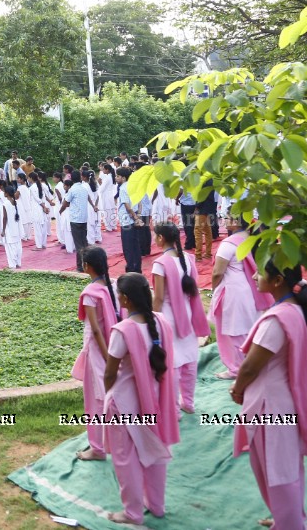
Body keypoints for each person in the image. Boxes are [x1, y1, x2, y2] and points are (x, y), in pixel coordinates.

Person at [231, 260, 307, 530]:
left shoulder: (277, 320)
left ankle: (291, 524)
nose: (254, 274)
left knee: (278, 472)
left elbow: (251, 365)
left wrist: (237, 389)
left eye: (261, 272)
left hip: (272, 407)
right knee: (286, 468)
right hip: (282, 403)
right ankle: (288, 518)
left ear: (276, 282)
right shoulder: (293, 310)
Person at [103, 272, 178, 525]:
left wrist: (108, 394)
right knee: (156, 451)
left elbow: (110, 372)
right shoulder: (161, 321)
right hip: (157, 400)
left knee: (126, 457)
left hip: (125, 403)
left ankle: (132, 512)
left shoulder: (122, 331)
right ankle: (156, 505)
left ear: (124, 299)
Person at [151, 223, 208, 414]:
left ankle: (174, 410)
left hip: (168, 317)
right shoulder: (188, 259)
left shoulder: (160, 264)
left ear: (160, 238)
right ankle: (188, 403)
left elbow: (158, 298)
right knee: (190, 358)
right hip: (188, 314)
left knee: (173, 362)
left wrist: (152, 320)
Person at [73, 247, 119, 462]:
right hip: (115, 347)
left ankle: (98, 448)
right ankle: (112, 441)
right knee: (111, 394)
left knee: (97, 399)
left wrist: (107, 356)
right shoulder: (114, 287)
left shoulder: (91, 294)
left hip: (100, 351)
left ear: (87, 266)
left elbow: (97, 329)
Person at [209, 218, 270, 380]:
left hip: (233, 291)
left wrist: (214, 288)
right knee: (248, 329)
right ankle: (249, 364)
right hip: (251, 288)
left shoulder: (229, 243)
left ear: (236, 222)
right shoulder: (251, 240)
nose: (224, 220)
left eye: (228, 217)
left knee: (235, 332)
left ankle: (238, 369)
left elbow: (217, 273)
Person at [60, 171, 92, 272]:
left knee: (79, 245)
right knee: (84, 242)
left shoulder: (72, 190)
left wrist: (60, 211)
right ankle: (88, 264)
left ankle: (80, 267)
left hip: (75, 219)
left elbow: (65, 202)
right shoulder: (84, 188)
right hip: (83, 219)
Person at [116, 168, 142, 274]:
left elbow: (127, 206)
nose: (116, 178)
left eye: (118, 176)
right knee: (135, 245)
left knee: (128, 246)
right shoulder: (133, 185)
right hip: (134, 217)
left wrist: (135, 217)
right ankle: (137, 267)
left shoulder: (123, 188)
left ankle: (131, 268)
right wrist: (138, 216)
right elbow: (139, 202)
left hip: (127, 221)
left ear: (123, 178)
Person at [0, 185, 24, 269]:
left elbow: (5, 218)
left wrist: (3, 230)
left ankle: (12, 265)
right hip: (16, 228)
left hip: (9, 228)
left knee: (10, 247)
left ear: (7, 193)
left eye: (4, 192)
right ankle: (18, 263)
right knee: (17, 246)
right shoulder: (15, 202)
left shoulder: (6, 203)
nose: (3, 193)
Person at [193, 181, 216, 260]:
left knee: (198, 231)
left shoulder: (204, 179)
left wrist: (197, 206)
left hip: (202, 208)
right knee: (207, 231)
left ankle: (198, 255)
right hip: (208, 207)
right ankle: (208, 253)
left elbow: (202, 195)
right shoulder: (210, 179)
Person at [28, 172, 51, 250]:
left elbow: (37, 199)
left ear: (31, 178)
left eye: (28, 178)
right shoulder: (40, 185)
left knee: (38, 228)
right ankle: (43, 244)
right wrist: (45, 207)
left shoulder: (32, 187)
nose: (28, 179)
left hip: (37, 209)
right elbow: (43, 198)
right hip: (41, 208)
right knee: (43, 227)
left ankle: (39, 246)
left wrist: (44, 207)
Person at [98, 164, 118, 232]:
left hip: (106, 196)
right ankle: (113, 226)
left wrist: (97, 191)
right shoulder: (111, 176)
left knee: (107, 211)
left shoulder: (107, 177)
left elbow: (102, 188)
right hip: (110, 195)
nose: (102, 170)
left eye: (103, 169)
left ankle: (109, 227)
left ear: (107, 170)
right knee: (111, 211)